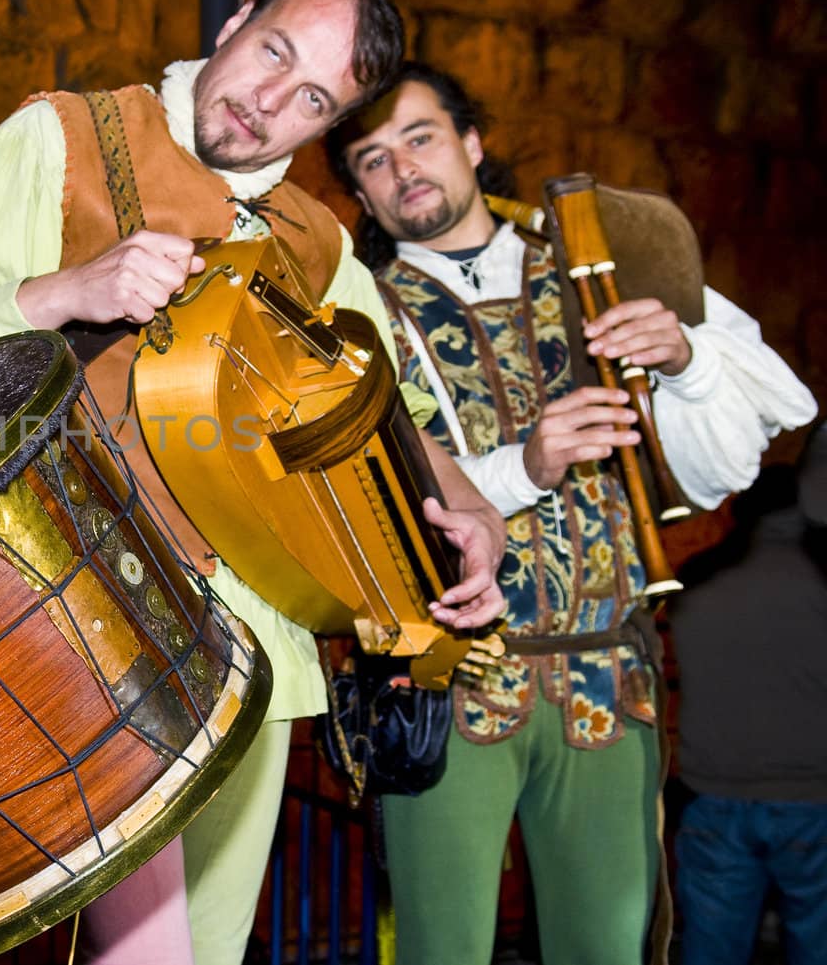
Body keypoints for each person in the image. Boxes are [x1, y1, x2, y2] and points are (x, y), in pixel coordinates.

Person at [0, 0, 508, 965]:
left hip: (262, 648)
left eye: (311, 100)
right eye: (272, 53)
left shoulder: (321, 245)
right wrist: (60, 292)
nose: (265, 103)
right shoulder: (63, 138)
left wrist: (469, 507)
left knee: (205, 948)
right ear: (240, 18)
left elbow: (393, 415)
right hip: (71, 623)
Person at [325, 60, 818, 964]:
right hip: (449, 682)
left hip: (607, 679)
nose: (402, 170)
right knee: (441, 951)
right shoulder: (355, 311)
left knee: (608, 950)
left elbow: (725, 468)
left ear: (473, 143)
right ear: (359, 188)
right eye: (372, 159)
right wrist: (526, 466)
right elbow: (362, 503)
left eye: (421, 137)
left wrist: (685, 358)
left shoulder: (606, 258)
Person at [672, 423, 827, 965]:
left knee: (711, 950)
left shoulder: (695, 580)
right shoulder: (818, 580)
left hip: (712, 796)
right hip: (813, 799)